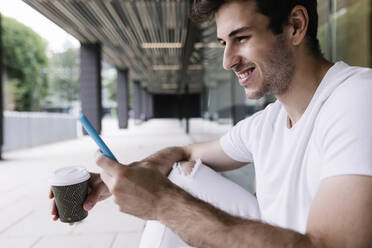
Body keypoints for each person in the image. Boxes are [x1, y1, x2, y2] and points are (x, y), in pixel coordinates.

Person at [50, 0, 372, 247]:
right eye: (223, 43)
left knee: (172, 194)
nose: (228, 60)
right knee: (180, 174)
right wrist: (131, 175)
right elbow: (185, 152)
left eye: (241, 38)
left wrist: (161, 203)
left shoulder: (357, 98)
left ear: (295, 26)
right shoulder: (268, 123)